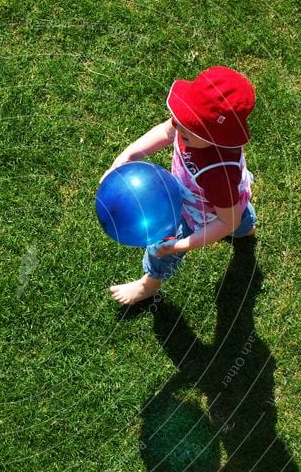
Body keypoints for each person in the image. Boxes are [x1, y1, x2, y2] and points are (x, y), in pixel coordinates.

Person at [102, 66, 258, 305]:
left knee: (161, 248)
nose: (179, 127)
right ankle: (247, 230)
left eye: (189, 128)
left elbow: (228, 220)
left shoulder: (217, 174)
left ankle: (148, 286)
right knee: (241, 218)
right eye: (182, 120)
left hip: (198, 214)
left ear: (217, 138)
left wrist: (180, 245)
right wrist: (128, 156)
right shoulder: (188, 129)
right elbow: (166, 131)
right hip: (215, 199)